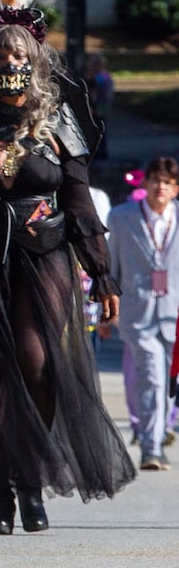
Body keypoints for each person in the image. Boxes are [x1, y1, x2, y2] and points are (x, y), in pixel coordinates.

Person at [0, 5, 134, 536]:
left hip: (44, 257)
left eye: (17, 54)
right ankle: (0, 493)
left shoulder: (58, 123)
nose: (8, 62)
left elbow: (80, 203)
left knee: (35, 363)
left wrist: (102, 274)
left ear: (34, 60)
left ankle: (32, 481)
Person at [107, 157, 179, 472]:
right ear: (145, 184)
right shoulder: (121, 218)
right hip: (137, 312)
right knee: (150, 375)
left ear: (175, 189)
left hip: (173, 315)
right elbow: (110, 268)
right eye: (155, 180)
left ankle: (157, 431)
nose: (160, 187)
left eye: (167, 182)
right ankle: (151, 448)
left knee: (166, 380)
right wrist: (105, 311)